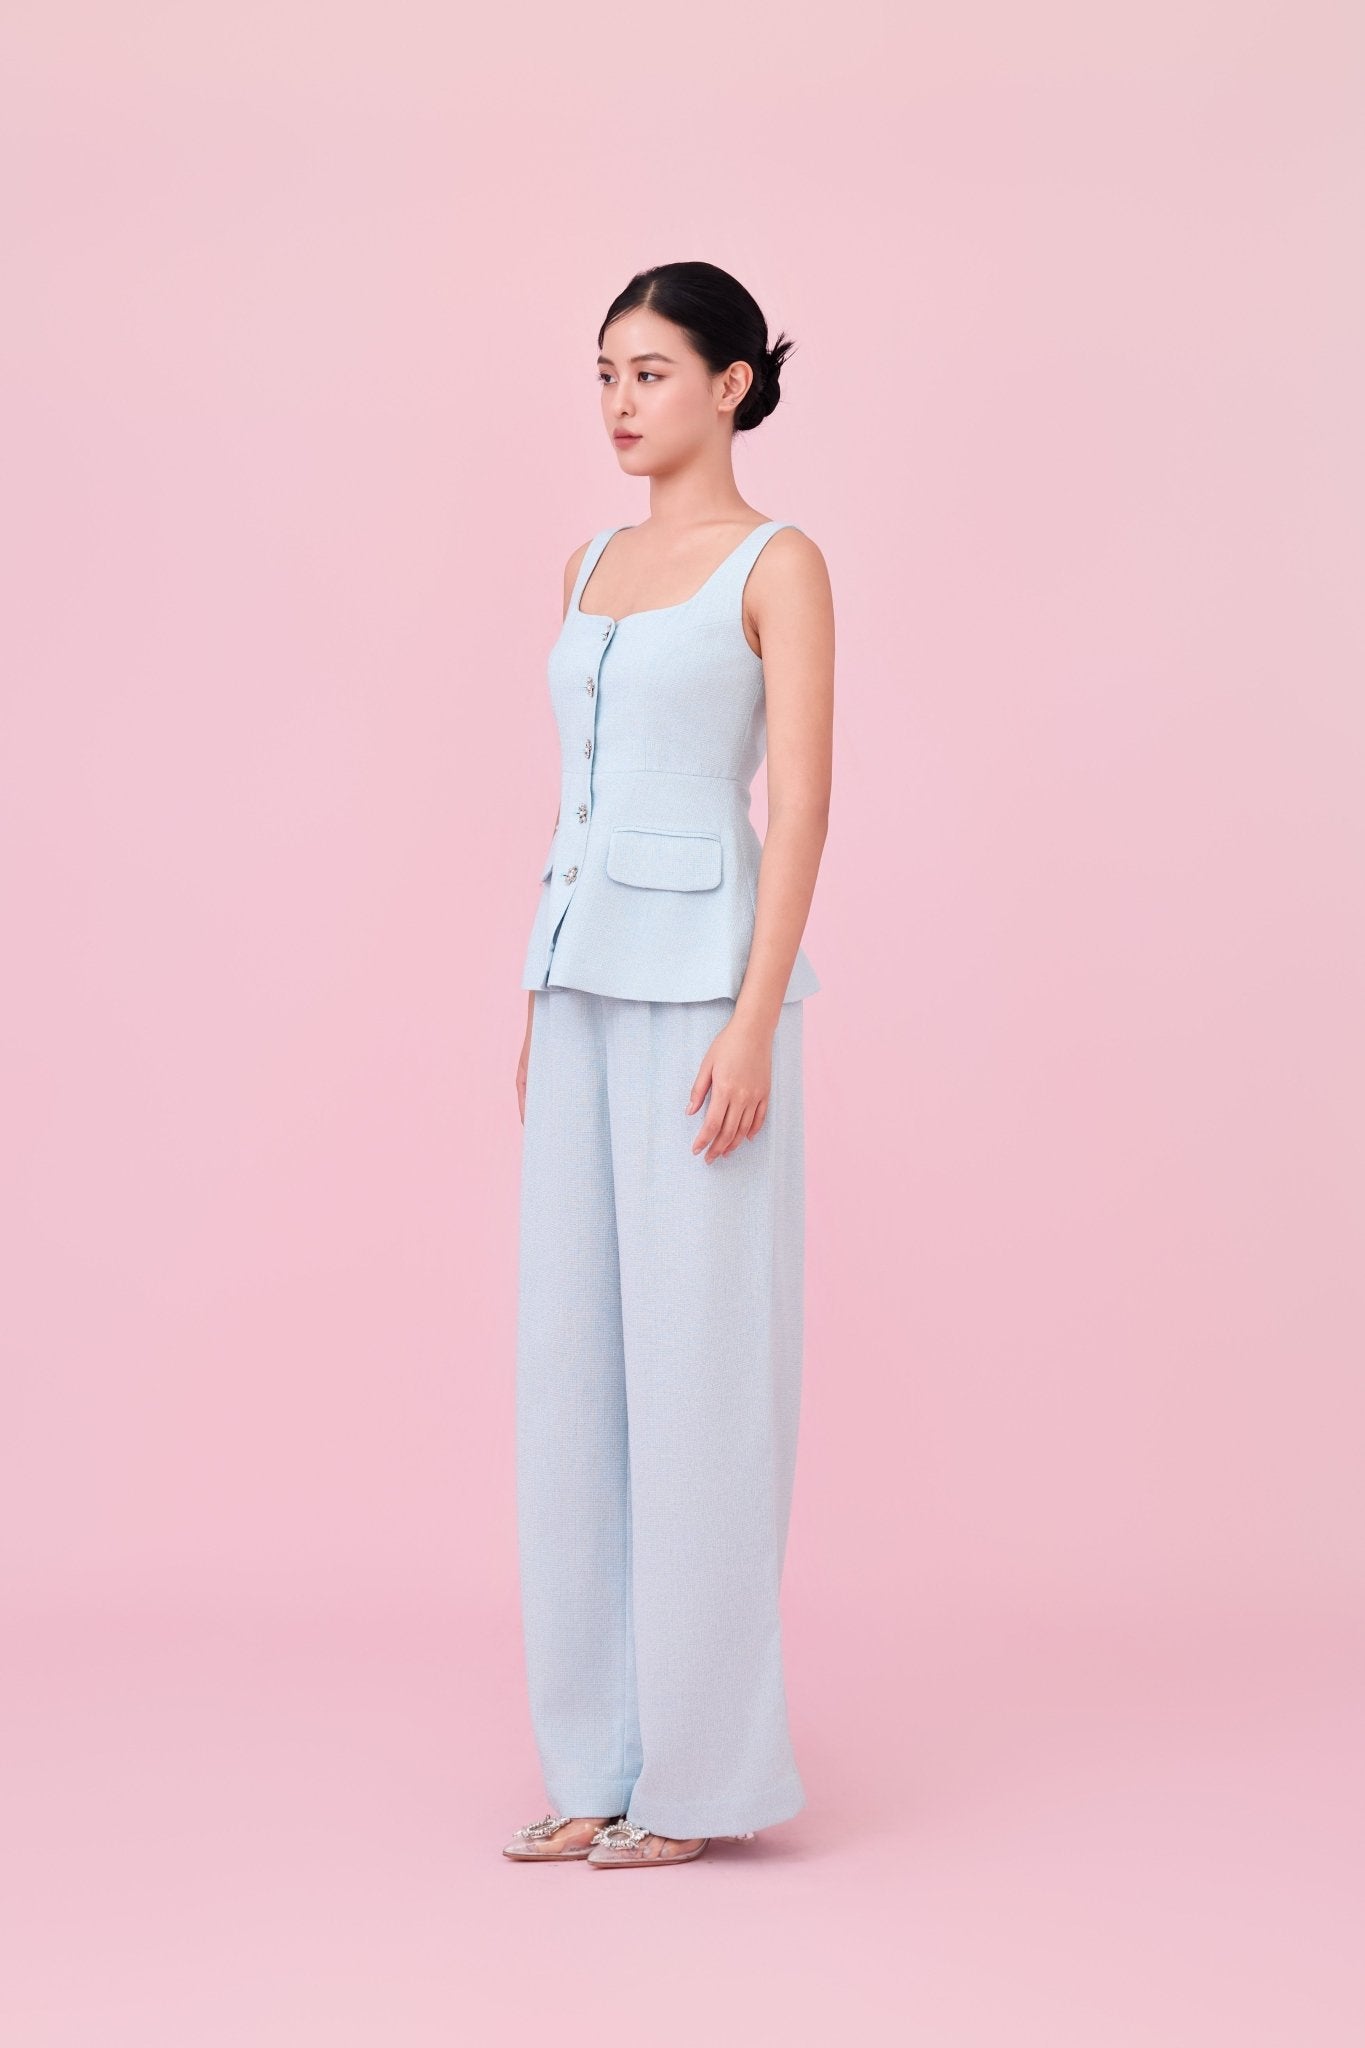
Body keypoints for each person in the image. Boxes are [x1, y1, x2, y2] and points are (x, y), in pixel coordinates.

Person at [505, 261, 833, 1871]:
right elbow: (572, 795)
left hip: (706, 998)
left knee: (701, 1378)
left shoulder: (780, 563)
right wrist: (533, 994)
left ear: (730, 384)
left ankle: (696, 1782)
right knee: (570, 1375)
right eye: (604, 374)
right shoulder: (586, 563)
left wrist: (754, 1018)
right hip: (577, 985)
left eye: (649, 371)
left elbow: (801, 806)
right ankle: (593, 1764)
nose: (621, 402)